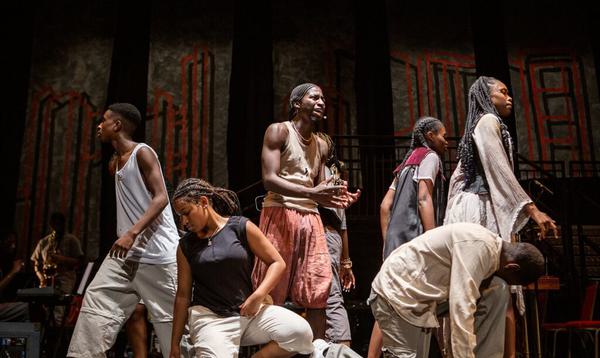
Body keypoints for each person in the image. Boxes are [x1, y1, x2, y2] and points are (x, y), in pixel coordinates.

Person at [444, 76, 558, 357]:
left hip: (472, 208)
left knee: (483, 290)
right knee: (498, 287)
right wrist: (533, 211)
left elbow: (458, 179)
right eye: (503, 92)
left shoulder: (479, 126)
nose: (509, 98)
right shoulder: (488, 122)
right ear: (486, 95)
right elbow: (500, 170)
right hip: (480, 209)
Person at [68, 103, 179, 357]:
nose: (99, 126)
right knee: (95, 306)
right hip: (125, 255)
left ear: (117, 125)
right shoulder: (115, 163)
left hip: (158, 256)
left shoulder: (143, 152)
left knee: (171, 328)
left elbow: (161, 198)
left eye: (103, 121)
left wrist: (132, 233)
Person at [252, 83, 360, 339]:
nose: (321, 102)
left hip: (310, 217)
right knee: (271, 289)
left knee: (318, 289)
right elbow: (269, 179)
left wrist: (337, 198)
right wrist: (313, 194)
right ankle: (268, 350)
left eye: (323, 98)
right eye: (314, 97)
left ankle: (318, 350)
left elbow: (318, 188)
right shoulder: (279, 131)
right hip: (280, 212)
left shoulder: (322, 145)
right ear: (297, 103)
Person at [169, 178, 314, 357]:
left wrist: (258, 295)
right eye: (180, 216)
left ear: (204, 202)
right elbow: (183, 296)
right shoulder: (186, 245)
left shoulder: (239, 227)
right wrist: (174, 344)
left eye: (186, 212)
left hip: (248, 312)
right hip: (211, 320)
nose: (183, 221)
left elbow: (277, 262)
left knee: (301, 332)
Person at [369, 223, 545, 358]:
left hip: (425, 299)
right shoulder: (478, 247)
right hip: (398, 293)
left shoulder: (491, 253)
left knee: (498, 289)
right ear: (512, 267)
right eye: (513, 280)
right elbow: (461, 307)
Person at [368, 116, 448, 358]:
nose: (446, 141)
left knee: (390, 301)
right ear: (431, 135)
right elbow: (424, 197)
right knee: (429, 298)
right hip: (414, 238)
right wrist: (433, 239)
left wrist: (388, 240)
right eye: (443, 135)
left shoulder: (406, 163)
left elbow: (385, 206)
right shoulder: (429, 157)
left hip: (395, 239)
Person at [316, 132, 355, 346]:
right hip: (322, 235)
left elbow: (342, 223)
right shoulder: (316, 170)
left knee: (330, 293)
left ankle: (341, 345)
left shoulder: (329, 174)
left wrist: (345, 261)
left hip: (325, 234)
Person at [31, 212, 84, 325]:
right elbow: (36, 263)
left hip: (65, 280)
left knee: (58, 313)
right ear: (51, 224)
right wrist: (41, 278)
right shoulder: (44, 242)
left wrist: (61, 259)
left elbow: (79, 262)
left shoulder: (71, 240)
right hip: (47, 281)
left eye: (60, 223)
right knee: (43, 312)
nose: (57, 225)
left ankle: (56, 338)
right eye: (54, 223)